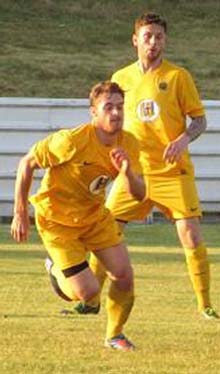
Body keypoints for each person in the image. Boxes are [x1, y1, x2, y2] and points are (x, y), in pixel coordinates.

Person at [71, 12, 219, 320]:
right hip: (133, 171)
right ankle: (91, 301)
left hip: (171, 169)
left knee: (190, 235)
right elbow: (108, 118)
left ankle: (205, 304)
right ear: (135, 40)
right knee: (105, 230)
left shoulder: (178, 77)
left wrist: (182, 140)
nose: (153, 42)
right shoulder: (121, 78)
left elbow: (200, 120)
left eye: (159, 37)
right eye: (147, 36)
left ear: (165, 41)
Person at [10, 81, 146, 351]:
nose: (116, 113)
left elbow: (140, 194)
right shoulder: (70, 141)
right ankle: (54, 267)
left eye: (120, 107)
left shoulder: (128, 143)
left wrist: (127, 171)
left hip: (95, 216)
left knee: (124, 275)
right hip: (58, 222)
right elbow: (27, 164)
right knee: (87, 293)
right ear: (93, 112)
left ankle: (115, 335)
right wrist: (20, 211)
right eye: (108, 107)